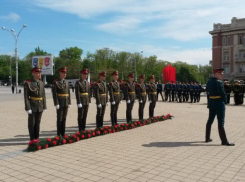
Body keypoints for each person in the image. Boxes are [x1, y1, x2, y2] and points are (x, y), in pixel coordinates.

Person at [205, 68, 234, 146]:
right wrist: (225, 101)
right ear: (216, 74)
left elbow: (208, 92)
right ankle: (224, 141)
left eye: (222, 73)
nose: (222, 75)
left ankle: (207, 138)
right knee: (220, 123)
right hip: (219, 104)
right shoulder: (219, 82)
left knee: (210, 121)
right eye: (220, 73)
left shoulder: (209, 81)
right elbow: (223, 93)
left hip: (211, 103)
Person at [24, 66, 47, 141]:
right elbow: (26, 96)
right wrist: (28, 107)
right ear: (33, 73)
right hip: (32, 105)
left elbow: (43, 95)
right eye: (37, 72)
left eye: (40, 72)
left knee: (38, 122)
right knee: (31, 123)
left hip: (40, 105)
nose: (39, 74)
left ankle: (37, 138)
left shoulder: (41, 83)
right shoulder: (28, 83)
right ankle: (32, 139)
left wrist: (44, 106)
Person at [52, 67, 71, 136]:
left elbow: (68, 93)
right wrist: (56, 103)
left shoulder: (66, 82)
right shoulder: (56, 82)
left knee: (64, 118)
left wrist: (69, 102)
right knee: (59, 118)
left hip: (66, 101)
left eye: (65, 73)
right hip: (60, 102)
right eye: (63, 73)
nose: (65, 74)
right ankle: (58, 133)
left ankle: (63, 133)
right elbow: (54, 94)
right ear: (60, 73)